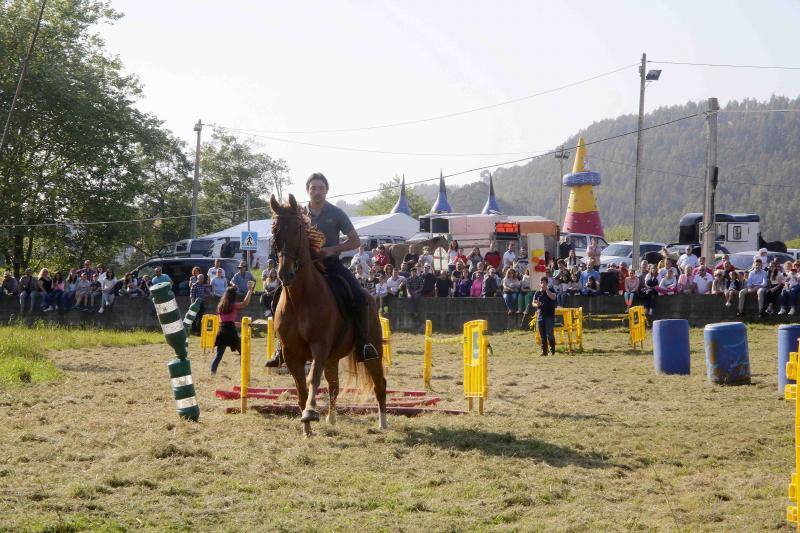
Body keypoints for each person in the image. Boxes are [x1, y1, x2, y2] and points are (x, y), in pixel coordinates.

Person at [266, 172, 380, 367]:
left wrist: (332, 249)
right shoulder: (299, 214)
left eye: (320, 188)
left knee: (361, 297)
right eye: (313, 188)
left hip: (332, 266)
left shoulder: (336, 213)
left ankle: (364, 344)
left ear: (327, 191)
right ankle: (281, 347)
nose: (317, 192)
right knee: (277, 296)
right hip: (304, 268)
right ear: (308, 191)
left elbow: (355, 241)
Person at [211, 284, 254, 374]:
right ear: (234, 296)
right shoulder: (234, 305)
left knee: (218, 356)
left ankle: (212, 372)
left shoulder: (220, 306)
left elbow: (226, 322)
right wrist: (250, 291)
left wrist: (242, 324)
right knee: (243, 352)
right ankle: (244, 372)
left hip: (221, 332)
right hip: (231, 333)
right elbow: (245, 303)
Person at [532, 277, 557, 356]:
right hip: (540, 315)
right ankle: (544, 351)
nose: (542, 284)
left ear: (547, 283)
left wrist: (546, 290)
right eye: (541, 282)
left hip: (549, 315)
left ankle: (552, 351)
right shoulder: (537, 293)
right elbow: (533, 303)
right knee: (542, 335)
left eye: (544, 282)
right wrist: (537, 305)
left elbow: (553, 297)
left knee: (549, 333)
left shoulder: (551, 290)